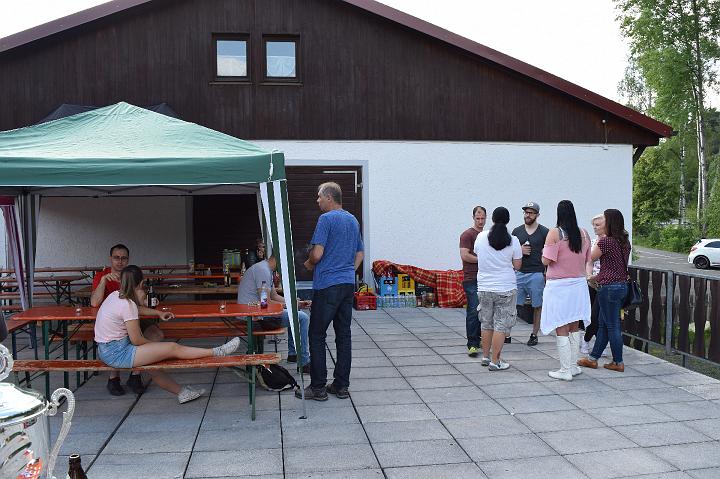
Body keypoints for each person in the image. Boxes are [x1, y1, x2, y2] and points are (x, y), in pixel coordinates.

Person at [94, 265, 241, 404]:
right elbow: (137, 340)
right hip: (117, 353)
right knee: (172, 348)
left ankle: (182, 393)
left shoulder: (115, 296)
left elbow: (138, 309)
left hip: (106, 350)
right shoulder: (127, 305)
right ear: (141, 284)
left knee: (154, 366)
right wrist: (159, 349)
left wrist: (158, 313)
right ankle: (217, 352)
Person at [297, 182, 363, 401]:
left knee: (316, 334)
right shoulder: (353, 220)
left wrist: (309, 263)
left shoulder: (326, 219)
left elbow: (317, 254)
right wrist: (348, 271)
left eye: (319, 197)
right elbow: (360, 253)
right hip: (347, 285)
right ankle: (341, 386)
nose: (317, 201)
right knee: (343, 335)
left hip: (327, 285)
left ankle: (318, 388)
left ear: (329, 197)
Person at [91, 244, 163, 396]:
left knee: (156, 334)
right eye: (116, 258)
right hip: (113, 322)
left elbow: (140, 300)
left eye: (124, 258)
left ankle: (135, 375)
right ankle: (113, 378)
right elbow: (94, 303)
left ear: (128, 259)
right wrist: (103, 281)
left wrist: (148, 301)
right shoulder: (102, 275)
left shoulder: (131, 273)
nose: (120, 261)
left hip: (133, 316)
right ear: (110, 258)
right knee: (121, 338)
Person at [540, 200, 592, 381]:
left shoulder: (555, 233)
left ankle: (565, 370)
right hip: (579, 285)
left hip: (559, 286)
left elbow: (546, 260)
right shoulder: (584, 233)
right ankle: (573, 366)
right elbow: (588, 258)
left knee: (560, 324)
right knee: (574, 325)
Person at [237, 253, 311, 372]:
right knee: (303, 318)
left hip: (257, 313)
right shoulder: (263, 271)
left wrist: (296, 303)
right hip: (254, 318)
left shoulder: (265, 268)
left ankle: (293, 354)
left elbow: (274, 296)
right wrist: (291, 305)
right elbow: (265, 302)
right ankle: (304, 362)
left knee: (296, 311)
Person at [578, 209, 631, 373]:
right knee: (603, 324)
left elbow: (589, 258)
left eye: (605, 220)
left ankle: (618, 362)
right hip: (621, 286)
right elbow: (615, 266)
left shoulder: (606, 241)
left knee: (612, 326)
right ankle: (593, 359)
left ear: (610, 222)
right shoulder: (625, 241)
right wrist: (597, 276)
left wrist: (586, 243)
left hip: (608, 288)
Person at [475, 207, 523, 371]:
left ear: (492, 219)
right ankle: (496, 361)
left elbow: (478, 254)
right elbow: (517, 265)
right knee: (501, 326)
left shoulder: (481, 237)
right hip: (505, 288)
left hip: (484, 287)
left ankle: (485, 357)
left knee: (486, 323)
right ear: (507, 220)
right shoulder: (513, 240)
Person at [512, 202, 549, 346]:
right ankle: (506, 333)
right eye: (526, 212)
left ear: (537, 215)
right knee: (512, 304)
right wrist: (519, 250)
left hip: (536, 273)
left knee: (537, 305)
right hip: (519, 272)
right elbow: (509, 251)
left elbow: (550, 252)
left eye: (531, 213)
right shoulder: (517, 231)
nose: (527, 215)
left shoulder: (544, 232)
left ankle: (534, 334)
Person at [459, 206, 486, 357]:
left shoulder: (486, 235)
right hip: (471, 278)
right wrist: (483, 259)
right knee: (473, 310)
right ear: (473, 218)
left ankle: (479, 338)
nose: (480, 221)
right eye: (478, 218)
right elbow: (465, 255)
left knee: (485, 311)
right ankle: (472, 344)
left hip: (485, 278)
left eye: (483, 218)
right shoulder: (467, 235)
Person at [581, 214, 606, 355]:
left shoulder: (610, 241)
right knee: (592, 315)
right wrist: (589, 276)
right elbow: (588, 262)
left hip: (606, 283)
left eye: (598, 225)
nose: (595, 228)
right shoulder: (593, 242)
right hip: (592, 283)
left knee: (601, 316)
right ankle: (586, 340)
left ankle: (597, 343)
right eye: (594, 225)